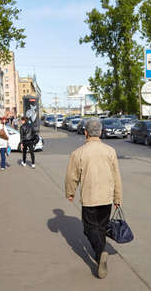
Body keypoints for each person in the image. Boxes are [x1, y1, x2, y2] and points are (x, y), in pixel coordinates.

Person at [64, 118, 122, 279]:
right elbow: (116, 176)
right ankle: (99, 256)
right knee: (101, 227)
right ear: (101, 132)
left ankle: (100, 252)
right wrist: (117, 197)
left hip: (89, 197)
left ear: (85, 133)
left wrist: (70, 192)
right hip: (107, 198)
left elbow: (71, 176)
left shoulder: (78, 153)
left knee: (89, 228)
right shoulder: (110, 151)